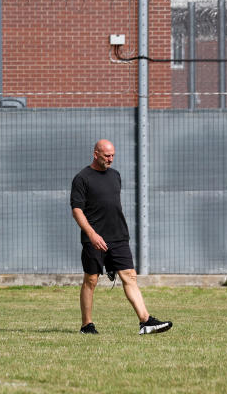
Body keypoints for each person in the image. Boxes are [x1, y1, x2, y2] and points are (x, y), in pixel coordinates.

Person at [71, 139, 172, 335]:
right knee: (90, 280)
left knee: (130, 277)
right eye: (106, 155)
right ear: (96, 154)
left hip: (118, 237)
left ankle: (145, 321)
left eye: (113, 155)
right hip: (94, 238)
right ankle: (87, 325)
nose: (110, 159)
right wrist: (91, 234)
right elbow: (77, 210)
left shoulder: (115, 175)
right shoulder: (82, 178)